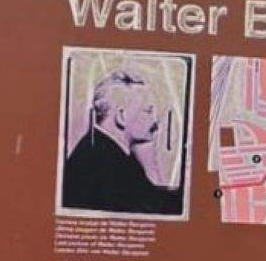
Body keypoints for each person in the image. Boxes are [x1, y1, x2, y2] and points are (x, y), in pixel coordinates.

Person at [62, 69, 183, 215]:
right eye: (148, 111)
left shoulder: (101, 148)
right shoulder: (109, 164)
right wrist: (152, 166)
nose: (156, 120)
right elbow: (157, 211)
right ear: (122, 116)